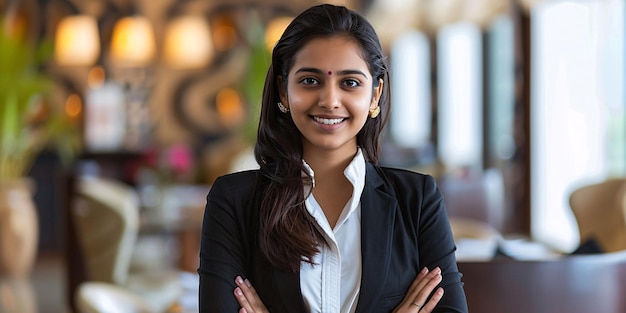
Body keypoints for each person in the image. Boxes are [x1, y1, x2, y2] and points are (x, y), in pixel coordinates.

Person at [198, 4, 468, 313]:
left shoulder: (417, 200)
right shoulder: (234, 201)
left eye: (350, 82)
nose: (329, 100)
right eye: (310, 81)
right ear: (283, 92)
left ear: (375, 95)